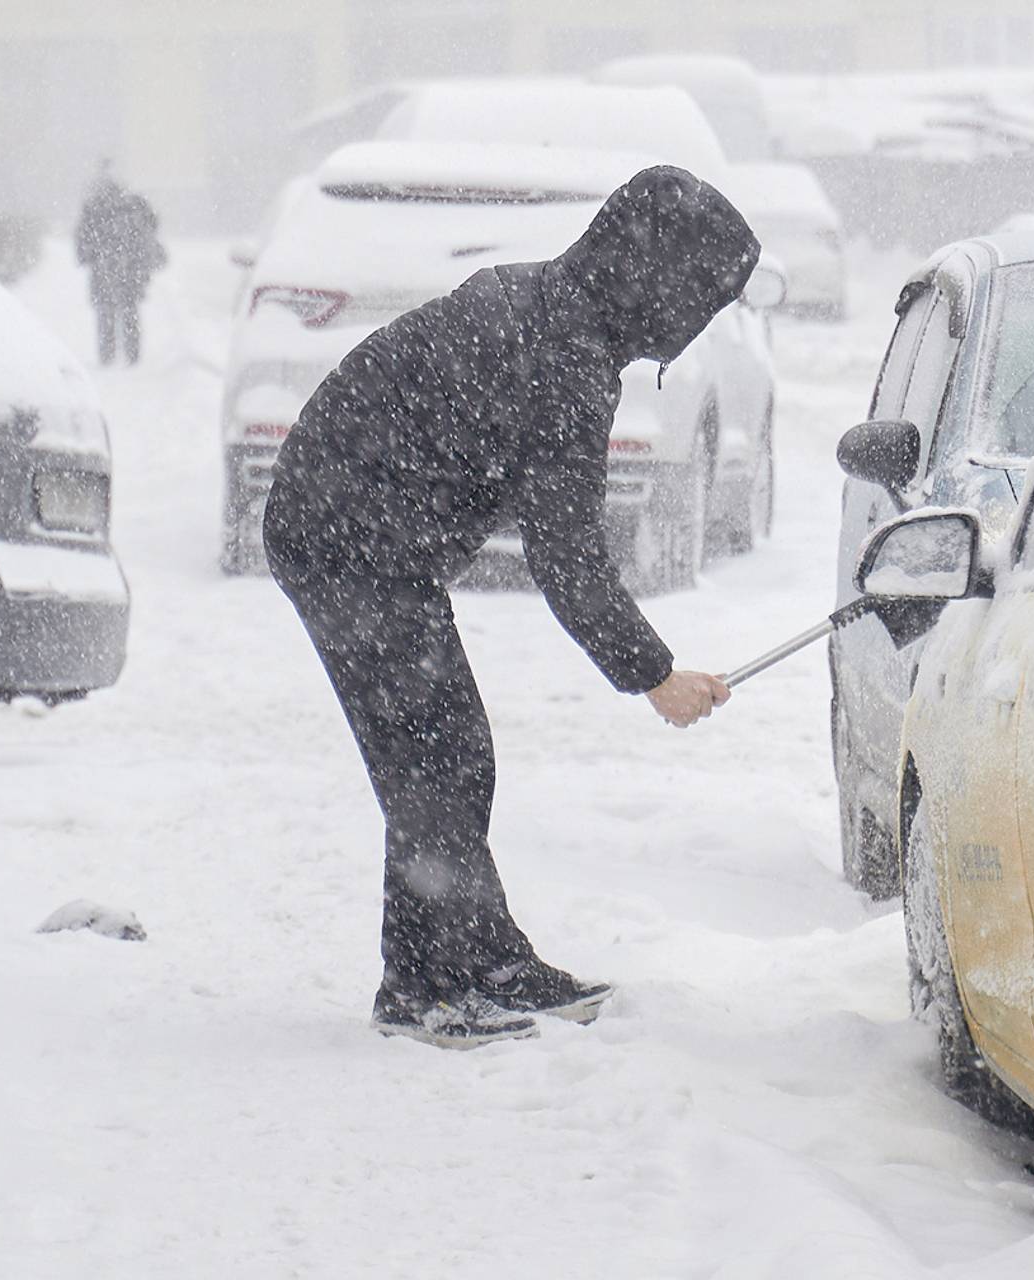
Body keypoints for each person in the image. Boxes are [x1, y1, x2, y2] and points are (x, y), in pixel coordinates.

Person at [263, 165, 760, 1049]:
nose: (693, 324)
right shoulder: (564, 355)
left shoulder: (557, 306)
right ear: (659, 282)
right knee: (438, 755)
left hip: (359, 527)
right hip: (344, 533)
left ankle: (458, 969)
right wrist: (654, 675)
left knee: (444, 753)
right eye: (698, 299)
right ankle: (443, 982)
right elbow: (566, 558)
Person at [74, 163, 166, 365]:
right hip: (130, 267)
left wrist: (87, 255)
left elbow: (82, 239)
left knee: (106, 312)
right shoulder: (134, 204)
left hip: (103, 267)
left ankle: (107, 355)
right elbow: (152, 224)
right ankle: (132, 354)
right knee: (129, 310)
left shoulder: (94, 207)